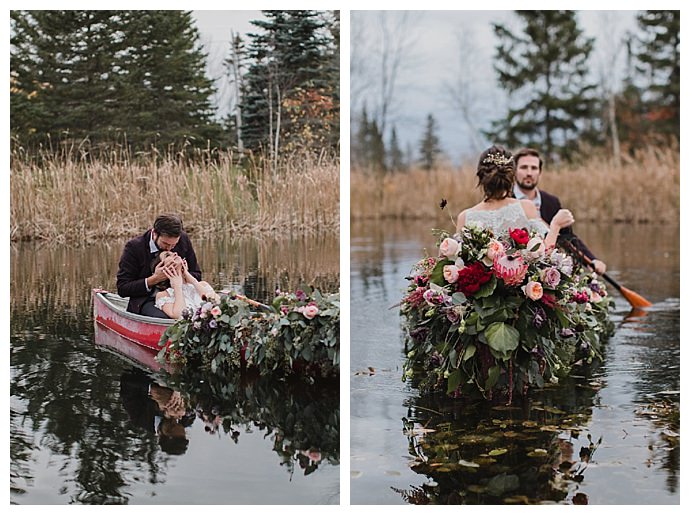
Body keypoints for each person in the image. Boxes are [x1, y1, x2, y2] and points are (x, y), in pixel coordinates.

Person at [456, 145, 574, 249]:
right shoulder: (526, 207)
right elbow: (544, 254)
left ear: (480, 176)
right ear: (512, 175)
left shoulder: (465, 217)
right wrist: (555, 226)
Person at [512, 147, 607, 275]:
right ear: (514, 171)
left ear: (539, 172)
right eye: (524, 167)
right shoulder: (506, 200)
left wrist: (592, 260)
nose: (529, 173)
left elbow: (568, 238)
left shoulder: (551, 201)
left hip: (549, 270)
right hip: (516, 270)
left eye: (534, 168)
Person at [116, 213, 202, 318]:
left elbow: (197, 275)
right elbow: (123, 288)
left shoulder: (183, 239)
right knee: (166, 319)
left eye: (174, 245)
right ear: (154, 233)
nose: (170, 248)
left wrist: (183, 273)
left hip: (181, 294)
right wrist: (154, 279)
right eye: (165, 244)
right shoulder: (134, 248)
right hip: (147, 300)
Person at [152, 251, 218, 319]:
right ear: (163, 269)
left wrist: (193, 280)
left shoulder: (202, 284)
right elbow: (180, 315)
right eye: (167, 255)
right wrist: (177, 286)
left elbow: (218, 305)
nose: (175, 253)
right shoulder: (163, 295)